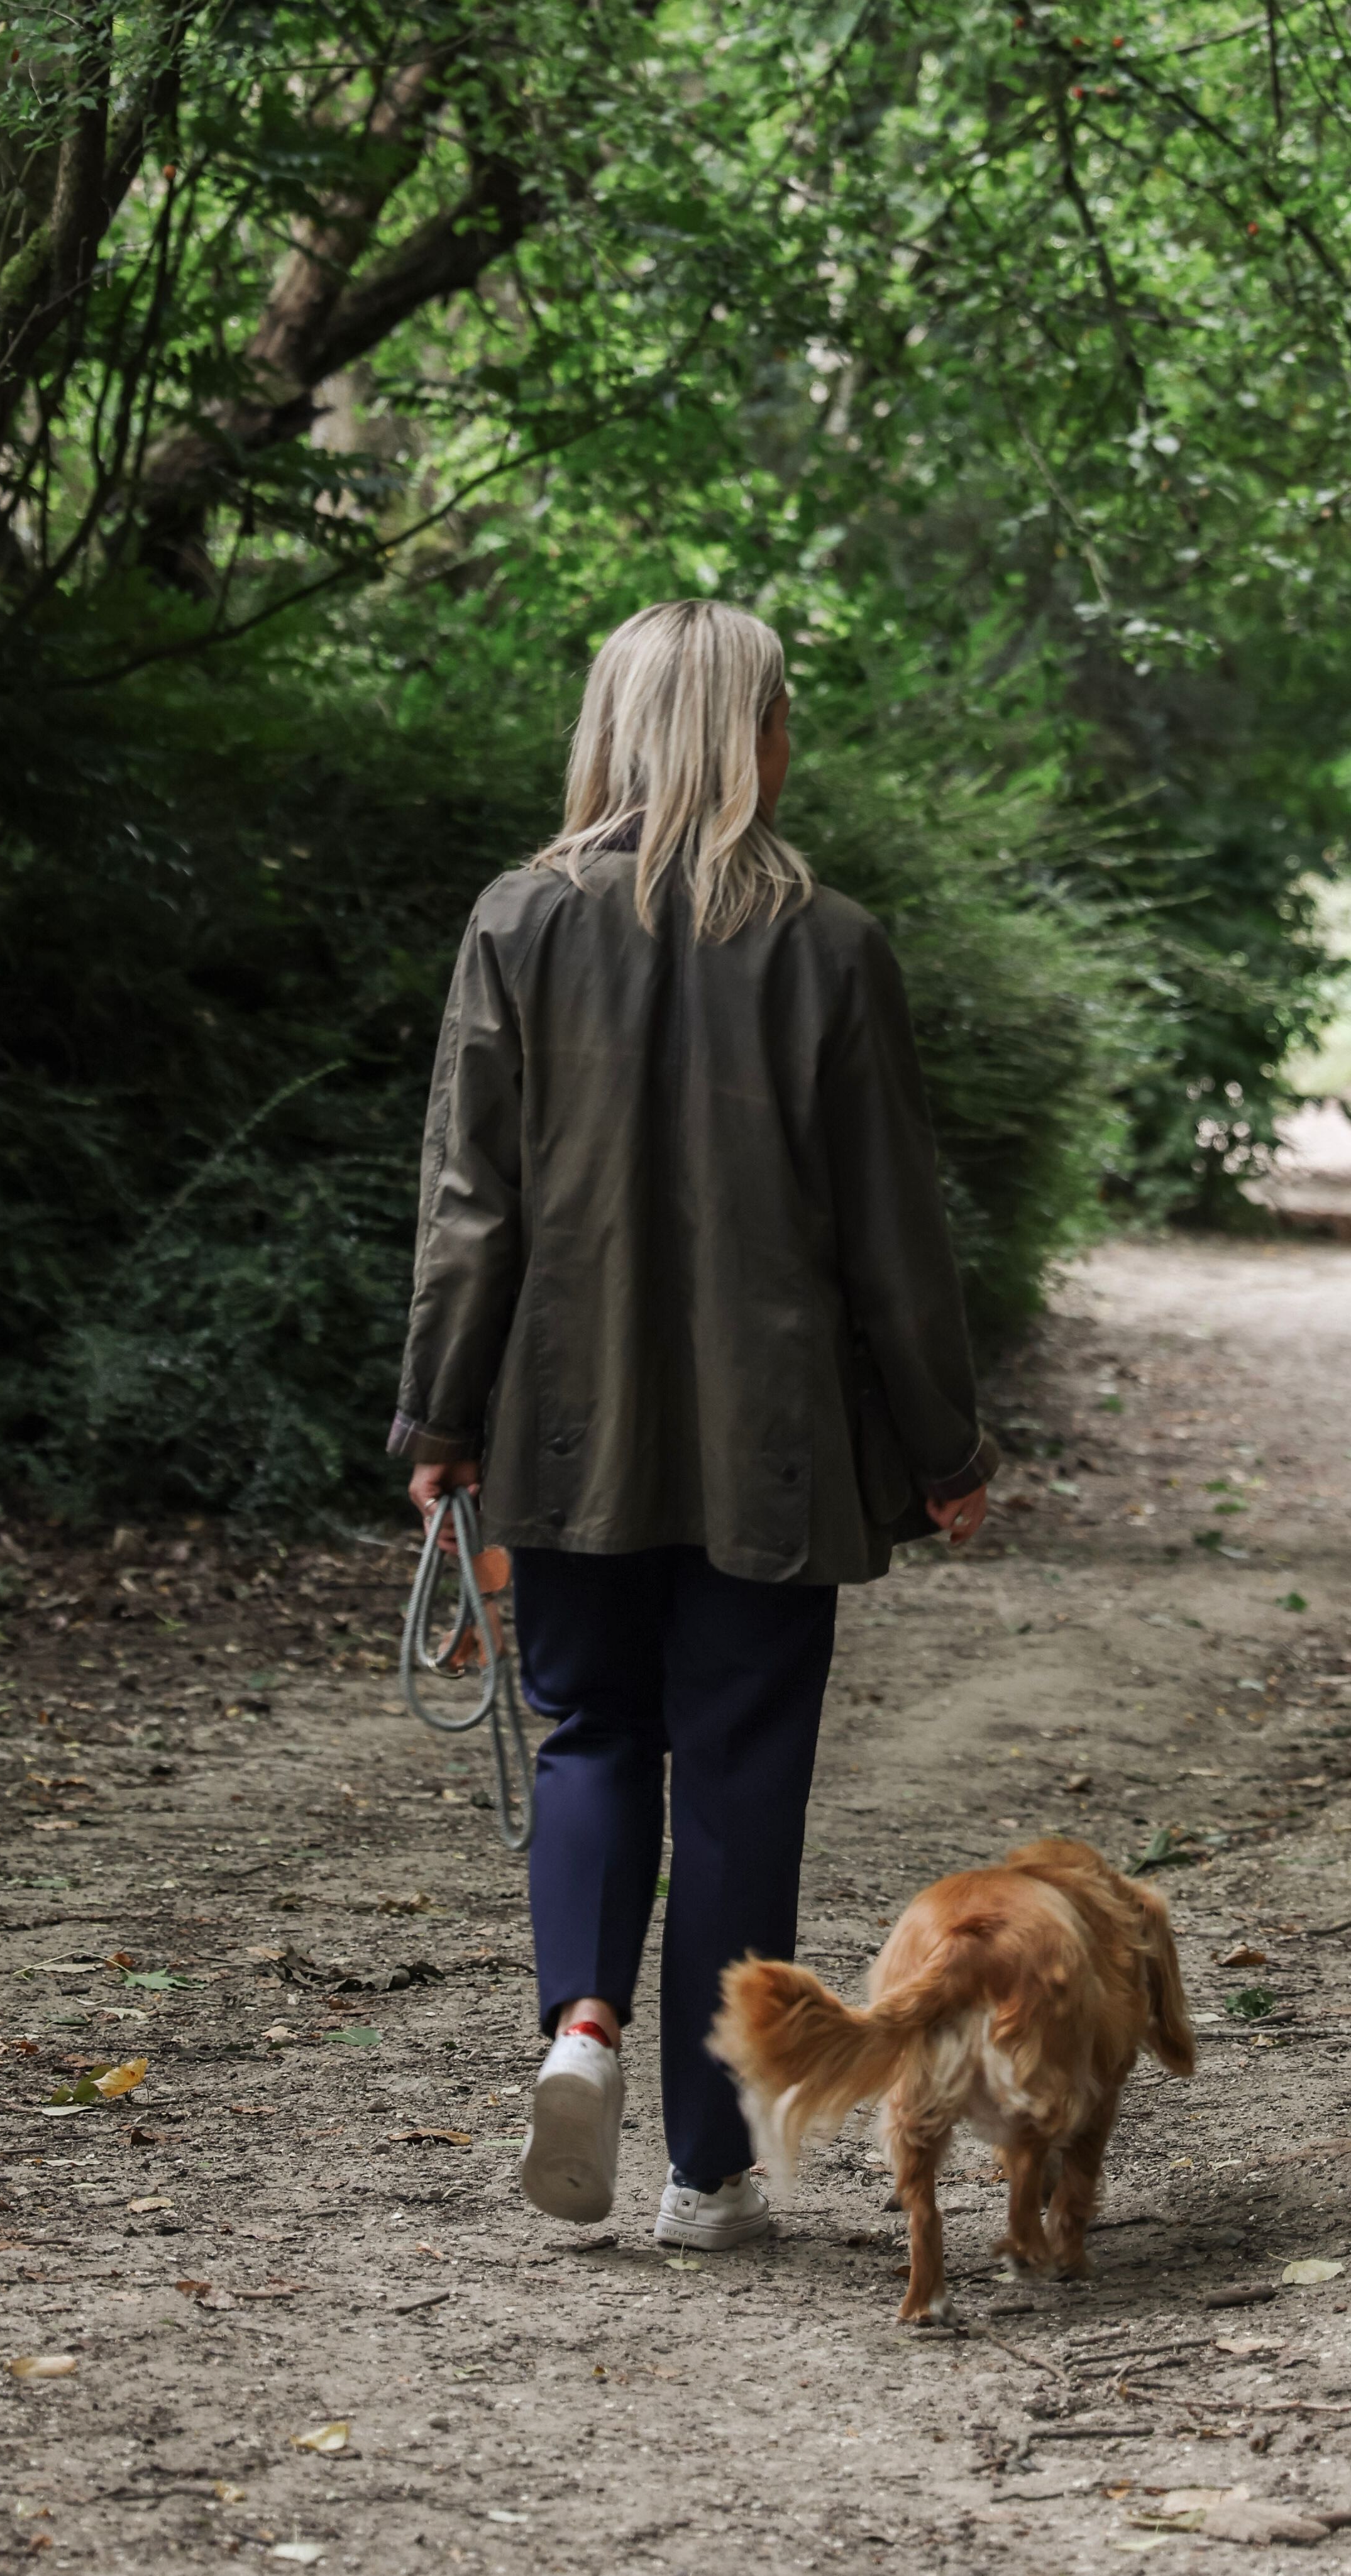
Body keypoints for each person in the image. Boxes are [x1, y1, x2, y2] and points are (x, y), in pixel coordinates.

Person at [389, 599, 998, 2252]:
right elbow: (894, 1236)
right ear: (756, 742)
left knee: (589, 1727)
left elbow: (472, 1212)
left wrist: (441, 1413)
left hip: (564, 1427)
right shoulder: (831, 945)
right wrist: (946, 1446)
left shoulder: (516, 921)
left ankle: (578, 2026)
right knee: (739, 1775)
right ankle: (707, 2169)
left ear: (610, 731)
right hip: (775, 1447)